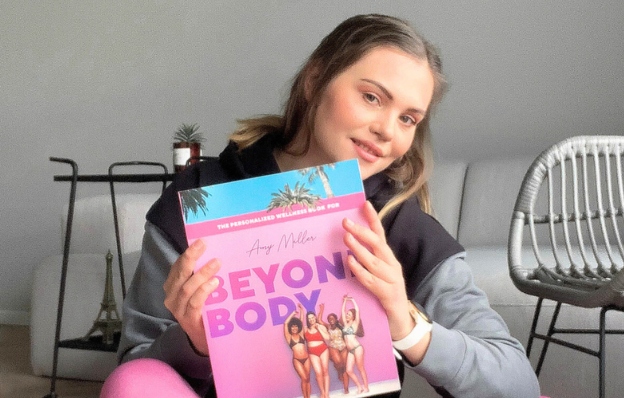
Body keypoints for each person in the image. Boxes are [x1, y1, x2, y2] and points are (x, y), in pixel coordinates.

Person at [101, 13, 541, 398]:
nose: (388, 130)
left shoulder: (401, 227)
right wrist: (195, 342)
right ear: (315, 81)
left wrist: (406, 326)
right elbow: (135, 370)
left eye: (408, 118)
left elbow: (518, 383)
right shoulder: (197, 200)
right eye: (372, 97)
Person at [318, 303, 350, 394]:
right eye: (329, 319)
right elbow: (319, 320)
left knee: (344, 367)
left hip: (343, 346)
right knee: (338, 362)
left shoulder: (340, 324)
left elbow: (343, 313)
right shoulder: (328, 326)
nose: (331, 320)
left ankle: (346, 389)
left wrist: (344, 302)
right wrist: (322, 309)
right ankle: (339, 373)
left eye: (332, 318)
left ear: (336, 319)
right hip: (333, 347)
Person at [301, 304, 331, 398]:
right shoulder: (305, 329)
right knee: (318, 372)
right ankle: (322, 392)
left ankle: (326, 393)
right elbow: (300, 324)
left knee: (325, 370)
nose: (311, 320)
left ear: (315, 317)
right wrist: (301, 311)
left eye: (312, 317)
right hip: (312, 352)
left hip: (323, 349)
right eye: (309, 318)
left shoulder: (320, 326)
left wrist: (318, 328)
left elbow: (328, 338)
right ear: (308, 320)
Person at [341, 295, 369, 394]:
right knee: (348, 370)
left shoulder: (355, 324)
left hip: (357, 348)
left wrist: (352, 300)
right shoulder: (345, 324)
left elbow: (357, 311)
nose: (347, 315)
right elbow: (342, 312)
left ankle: (366, 387)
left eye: (349, 314)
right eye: (347, 314)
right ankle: (359, 387)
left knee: (360, 368)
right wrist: (344, 301)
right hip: (350, 350)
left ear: (353, 316)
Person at [283, 309, 312, 398]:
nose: (294, 328)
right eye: (292, 327)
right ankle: (305, 397)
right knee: (304, 378)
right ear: (290, 328)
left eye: (296, 326)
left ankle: (309, 396)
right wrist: (293, 313)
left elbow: (301, 321)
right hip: (297, 360)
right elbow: (285, 324)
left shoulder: (301, 334)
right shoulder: (288, 337)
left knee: (307, 379)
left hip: (306, 359)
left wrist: (301, 310)